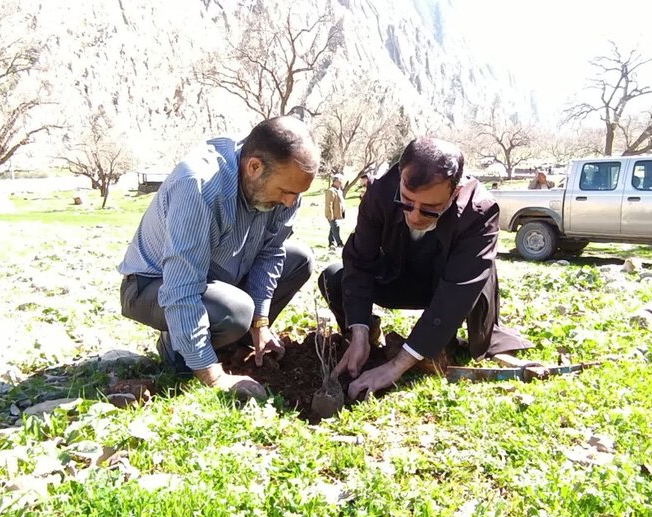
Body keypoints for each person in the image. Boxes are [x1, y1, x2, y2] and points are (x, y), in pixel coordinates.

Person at [119, 116, 320, 400]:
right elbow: (181, 288)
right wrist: (214, 377)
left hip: (218, 275)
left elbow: (270, 252)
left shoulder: (286, 187)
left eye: (297, 194)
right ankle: (178, 350)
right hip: (153, 284)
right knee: (236, 310)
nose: (290, 202)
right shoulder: (199, 185)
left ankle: (226, 337)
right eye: (286, 192)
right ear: (254, 167)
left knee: (299, 259)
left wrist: (260, 324)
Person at [318, 137, 531, 399]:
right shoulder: (380, 193)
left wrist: (396, 366)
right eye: (407, 202)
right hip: (396, 280)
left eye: (430, 209)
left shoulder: (480, 211)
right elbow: (359, 261)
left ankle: (448, 342)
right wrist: (358, 329)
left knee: (481, 273)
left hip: (445, 287)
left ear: (454, 192)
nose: (415, 216)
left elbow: (457, 294)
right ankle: (367, 337)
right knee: (333, 277)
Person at [325, 174, 346, 248]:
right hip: (331, 214)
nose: (340, 182)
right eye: (339, 181)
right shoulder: (331, 191)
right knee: (336, 227)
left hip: (336, 214)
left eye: (341, 181)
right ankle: (339, 243)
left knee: (333, 228)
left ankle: (331, 243)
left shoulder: (338, 190)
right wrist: (330, 215)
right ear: (334, 182)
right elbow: (329, 204)